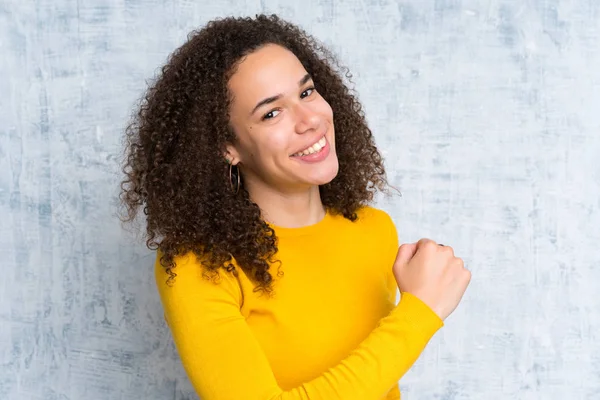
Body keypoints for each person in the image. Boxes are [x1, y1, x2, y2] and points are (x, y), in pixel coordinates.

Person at [120, 14, 470, 400]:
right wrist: (419, 313)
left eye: (306, 93)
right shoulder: (200, 265)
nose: (310, 121)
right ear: (226, 147)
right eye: (271, 113)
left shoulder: (374, 230)